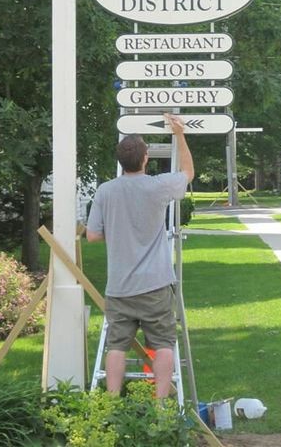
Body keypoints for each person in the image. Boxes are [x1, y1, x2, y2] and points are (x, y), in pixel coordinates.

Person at [86, 113, 194, 398]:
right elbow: (188, 173)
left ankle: (110, 403)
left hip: (120, 286)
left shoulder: (105, 191)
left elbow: (93, 235)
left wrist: (120, 231)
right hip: (156, 285)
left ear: (121, 161)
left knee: (116, 346)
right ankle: (160, 408)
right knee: (163, 344)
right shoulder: (158, 186)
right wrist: (179, 134)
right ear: (145, 158)